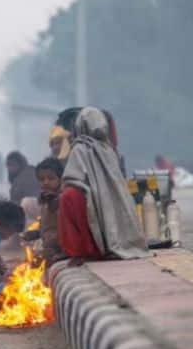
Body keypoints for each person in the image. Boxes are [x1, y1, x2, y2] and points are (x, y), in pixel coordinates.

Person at [58, 107, 149, 261]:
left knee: (68, 197)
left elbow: (72, 180)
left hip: (89, 201)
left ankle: (82, 250)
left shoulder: (79, 148)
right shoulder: (109, 149)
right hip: (108, 202)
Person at [34, 157, 67, 265]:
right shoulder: (45, 200)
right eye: (42, 179)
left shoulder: (64, 200)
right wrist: (34, 234)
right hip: (49, 249)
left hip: (62, 251)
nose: (46, 182)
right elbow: (48, 228)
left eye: (51, 178)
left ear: (61, 179)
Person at [6, 151, 40, 222]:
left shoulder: (23, 178)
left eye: (13, 165)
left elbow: (16, 203)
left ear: (20, 164)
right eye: (8, 165)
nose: (10, 168)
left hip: (30, 215)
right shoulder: (28, 172)